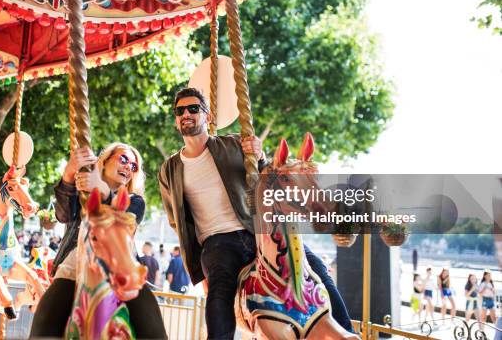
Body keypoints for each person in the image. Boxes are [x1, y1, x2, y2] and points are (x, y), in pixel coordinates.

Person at [158, 87, 354, 338]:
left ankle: (345, 331)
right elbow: (177, 221)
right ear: (176, 119)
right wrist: (198, 266)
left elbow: (267, 181)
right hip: (218, 242)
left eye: (193, 108)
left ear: (207, 116)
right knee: (220, 289)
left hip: (257, 230)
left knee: (316, 269)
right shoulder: (170, 169)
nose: (186, 113)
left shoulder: (233, 144)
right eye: (180, 110)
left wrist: (259, 155)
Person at [30, 144, 166, 339]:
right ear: (105, 160)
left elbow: (126, 220)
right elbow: (63, 214)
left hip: (120, 267)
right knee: (45, 325)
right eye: (124, 159)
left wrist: (102, 190)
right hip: (75, 266)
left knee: (151, 320)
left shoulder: (134, 200)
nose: (129, 167)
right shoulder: (81, 192)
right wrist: (69, 173)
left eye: (134, 166)